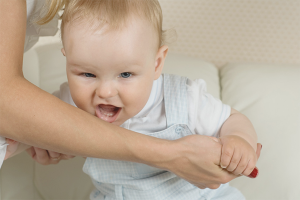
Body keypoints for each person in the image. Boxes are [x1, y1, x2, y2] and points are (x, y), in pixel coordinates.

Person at [0, 0, 261, 191]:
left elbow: (232, 118)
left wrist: (238, 140)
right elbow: (32, 126)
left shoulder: (182, 97)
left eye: (125, 75)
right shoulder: (69, 104)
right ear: (67, 59)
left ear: (157, 63)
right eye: (87, 75)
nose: (104, 91)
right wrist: (22, 144)